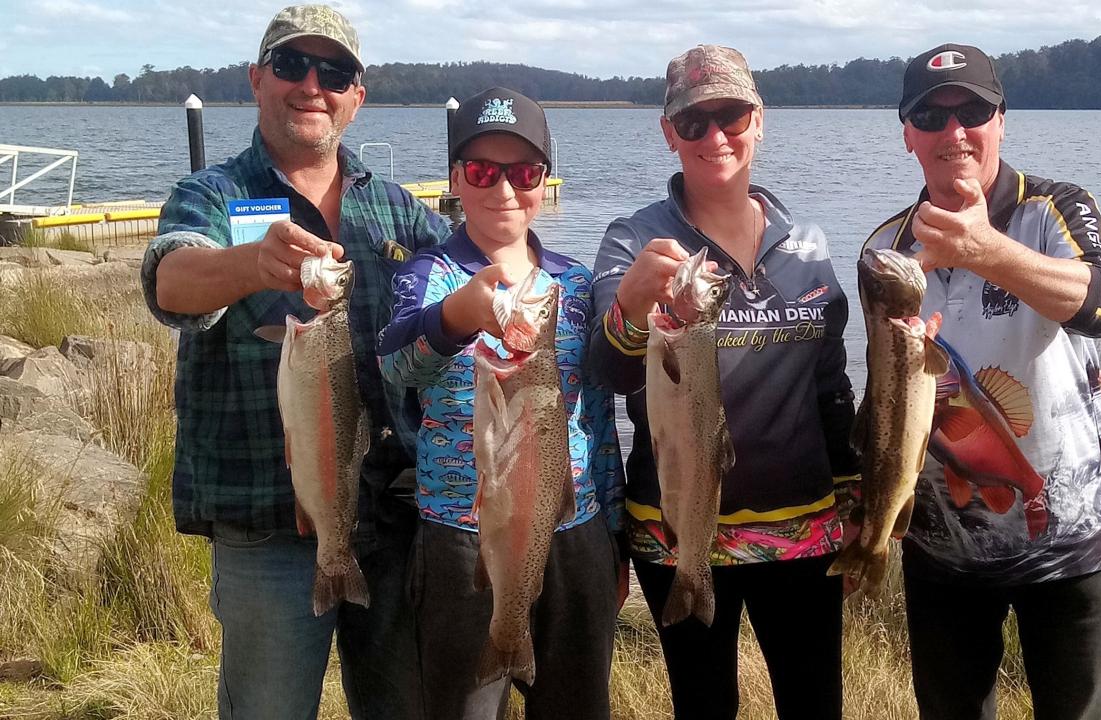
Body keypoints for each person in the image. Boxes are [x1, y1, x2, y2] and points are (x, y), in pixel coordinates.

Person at [140, 6, 451, 719]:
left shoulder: (398, 210)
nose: (312, 85)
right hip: (265, 526)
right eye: (291, 65)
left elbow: (468, 277)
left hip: (393, 519)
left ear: (357, 97)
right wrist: (253, 263)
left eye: (334, 72)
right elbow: (171, 279)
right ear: (256, 80)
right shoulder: (212, 193)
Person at [862, 43, 1101, 720]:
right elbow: (884, 393)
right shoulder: (885, 251)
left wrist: (985, 251)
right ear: (907, 134)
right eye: (931, 114)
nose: (953, 130)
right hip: (941, 549)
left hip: (1068, 546)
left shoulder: (1056, 208)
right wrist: (864, 502)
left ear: (1002, 121)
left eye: (972, 111)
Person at [588, 45, 856, 720]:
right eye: (694, 121)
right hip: (675, 532)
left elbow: (830, 384)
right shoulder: (633, 240)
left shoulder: (807, 244)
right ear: (669, 132)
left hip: (802, 532)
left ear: (759, 121)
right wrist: (629, 306)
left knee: (814, 704)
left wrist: (853, 496)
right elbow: (610, 370)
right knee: (703, 707)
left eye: (731, 115)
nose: (715, 136)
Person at [376, 87, 624, 720]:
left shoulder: (575, 284)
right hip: (464, 539)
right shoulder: (428, 275)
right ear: (458, 178)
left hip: (572, 531)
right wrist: (458, 316)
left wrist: (613, 534)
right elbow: (398, 366)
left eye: (524, 172)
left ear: (545, 178)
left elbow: (597, 419)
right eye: (484, 171)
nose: (505, 190)